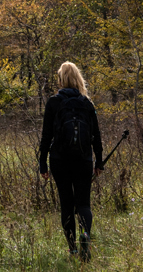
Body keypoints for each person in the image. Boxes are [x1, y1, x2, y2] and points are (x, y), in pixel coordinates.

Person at [38, 61, 103, 260]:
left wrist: (43, 163)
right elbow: (96, 136)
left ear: (60, 79)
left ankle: (73, 249)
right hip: (84, 160)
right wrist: (99, 162)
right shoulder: (87, 103)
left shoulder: (53, 102)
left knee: (66, 202)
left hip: (60, 160)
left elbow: (46, 136)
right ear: (78, 78)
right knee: (83, 203)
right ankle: (85, 239)